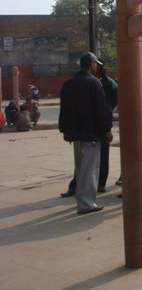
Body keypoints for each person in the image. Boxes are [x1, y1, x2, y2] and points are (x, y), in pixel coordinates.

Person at [58, 52, 113, 215]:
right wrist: (106, 130)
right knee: (89, 170)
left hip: (76, 134)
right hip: (91, 134)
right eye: (96, 64)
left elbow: (64, 110)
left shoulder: (68, 84)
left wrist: (65, 130)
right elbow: (101, 110)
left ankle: (82, 199)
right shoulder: (94, 84)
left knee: (80, 167)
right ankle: (86, 202)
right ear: (91, 64)